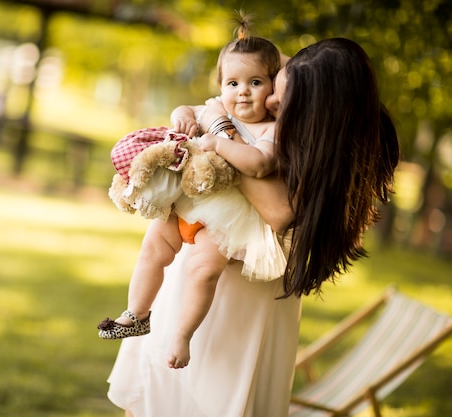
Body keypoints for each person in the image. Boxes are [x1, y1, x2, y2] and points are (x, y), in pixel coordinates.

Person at [106, 36, 400, 417]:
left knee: (206, 401)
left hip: (238, 300)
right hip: (199, 268)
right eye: (273, 86)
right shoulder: (303, 109)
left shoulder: (316, 152)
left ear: (315, 108)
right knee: (153, 400)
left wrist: (222, 128)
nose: (270, 102)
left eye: (281, 95)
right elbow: (255, 61)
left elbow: (278, 209)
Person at [98, 17, 285, 370]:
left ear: (272, 90)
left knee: (203, 270)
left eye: (255, 82)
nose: (242, 91)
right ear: (221, 85)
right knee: (153, 248)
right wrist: (182, 116)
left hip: (225, 225)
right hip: (184, 207)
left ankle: (183, 336)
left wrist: (217, 141)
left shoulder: (271, 130)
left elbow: (260, 164)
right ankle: (136, 314)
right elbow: (186, 110)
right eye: (233, 82)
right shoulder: (217, 107)